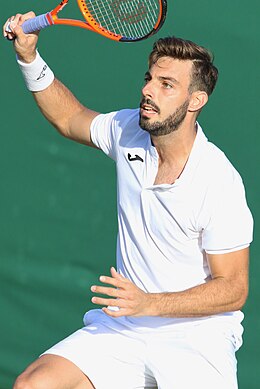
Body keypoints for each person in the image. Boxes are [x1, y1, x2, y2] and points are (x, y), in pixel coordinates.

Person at [3, 11, 253, 389]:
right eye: (149, 78)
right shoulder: (127, 130)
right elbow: (69, 117)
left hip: (196, 336)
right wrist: (28, 57)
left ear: (196, 100)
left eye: (167, 84)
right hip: (126, 326)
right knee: (32, 385)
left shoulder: (219, 181)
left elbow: (234, 288)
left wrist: (150, 303)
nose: (149, 90)